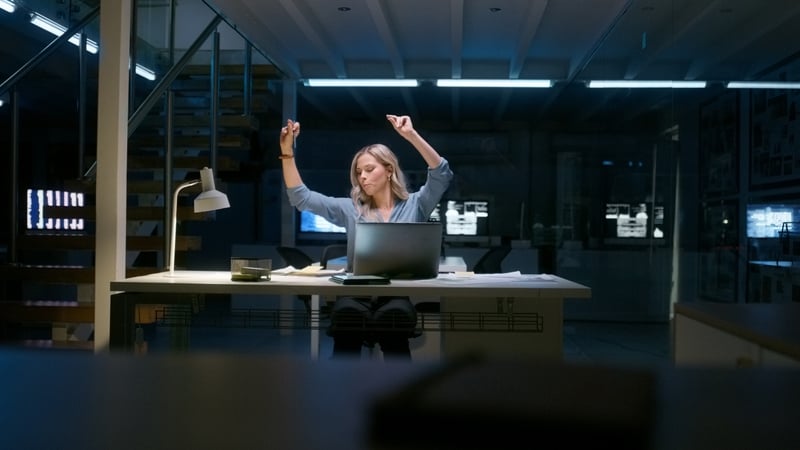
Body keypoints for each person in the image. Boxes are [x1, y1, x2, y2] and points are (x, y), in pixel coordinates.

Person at [279, 114, 453, 359]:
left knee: (395, 321)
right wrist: (287, 153)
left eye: (369, 169)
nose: (362, 176)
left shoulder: (416, 204)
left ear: (389, 170)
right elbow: (301, 197)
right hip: (354, 294)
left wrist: (410, 135)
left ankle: (399, 394)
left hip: (395, 295)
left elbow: (442, 174)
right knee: (347, 317)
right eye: (359, 171)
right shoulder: (351, 208)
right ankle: (345, 394)